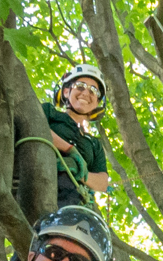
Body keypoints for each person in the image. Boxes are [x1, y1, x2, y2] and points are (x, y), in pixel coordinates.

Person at [43, 65, 113, 209]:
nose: (86, 93)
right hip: (39, 179)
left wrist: (81, 173)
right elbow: (35, 128)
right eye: (80, 86)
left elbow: (102, 182)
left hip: (75, 202)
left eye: (94, 90)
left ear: (97, 103)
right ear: (66, 91)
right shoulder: (50, 113)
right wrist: (69, 150)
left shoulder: (94, 144)